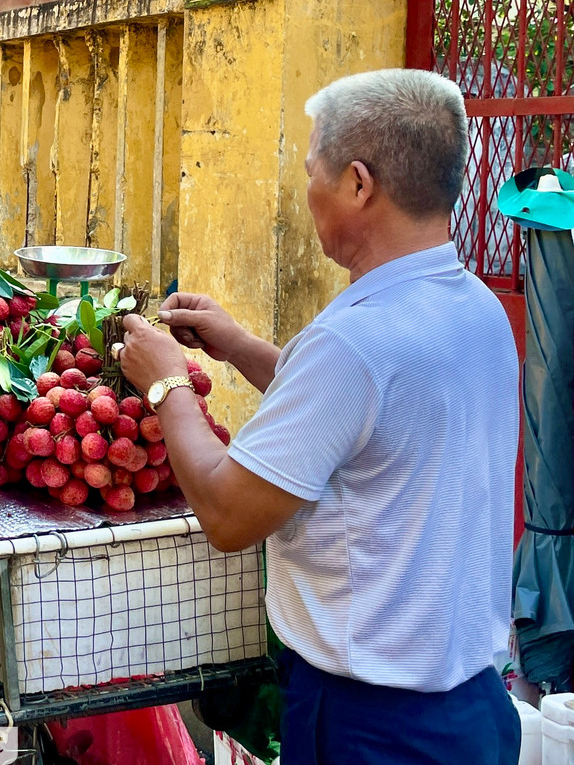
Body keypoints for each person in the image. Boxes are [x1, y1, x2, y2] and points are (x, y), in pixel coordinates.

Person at [116, 69, 519, 765]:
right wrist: (240, 348)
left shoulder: (355, 343)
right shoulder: (474, 308)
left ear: (359, 184)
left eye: (313, 174)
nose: (307, 194)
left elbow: (226, 513)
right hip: (476, 713)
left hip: (373, 727)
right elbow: (367, 421)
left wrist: (167, 386)